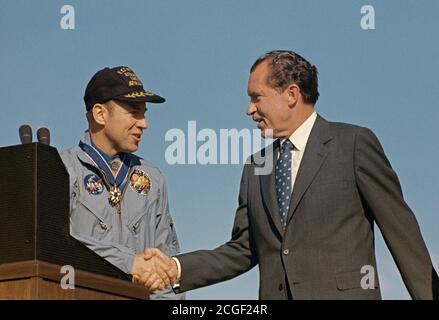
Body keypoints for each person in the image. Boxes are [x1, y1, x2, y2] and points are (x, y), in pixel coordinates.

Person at [141, 50, 438, 299]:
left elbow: (402, 234)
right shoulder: (255, 167)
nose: (249, 110)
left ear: (291, 94)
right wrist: (176, 268)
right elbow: (243, 249)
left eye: (257, 97)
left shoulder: (354, 144)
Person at [60, 66, 184, 299]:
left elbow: (167, 267)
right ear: (100, 114)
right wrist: (130, 263)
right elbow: (59, 246)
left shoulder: (153, 178)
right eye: (134, 112)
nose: (144, 123)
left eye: (144, 113)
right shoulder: (62, 170)